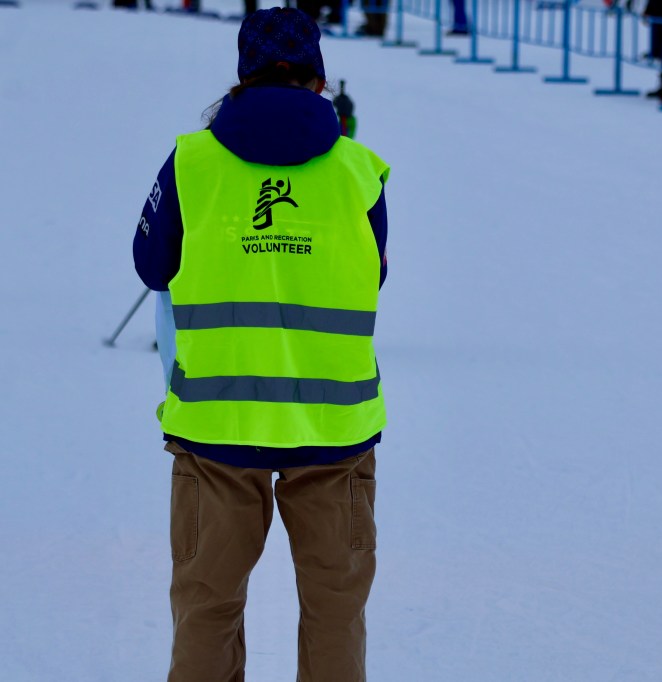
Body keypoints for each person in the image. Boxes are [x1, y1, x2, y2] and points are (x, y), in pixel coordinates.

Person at [132, 8, 390, 682]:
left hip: (217, 423)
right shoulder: (359, 171)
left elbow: (151, 266)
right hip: (333, 426)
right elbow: (374, 274)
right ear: (319, 79)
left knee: (207, 607)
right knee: (335, 611)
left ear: (242, 75)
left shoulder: (192, 162)